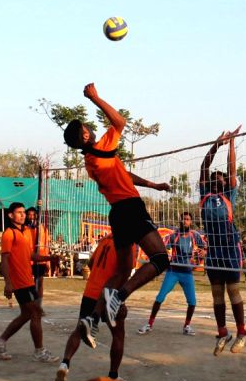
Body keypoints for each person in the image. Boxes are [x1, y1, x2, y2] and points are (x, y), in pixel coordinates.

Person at [62, 83, 172, 346]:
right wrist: (95, 98)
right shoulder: (101, 148)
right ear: (85, 135)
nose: (90, 128)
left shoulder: (93, 160)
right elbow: (120, 121)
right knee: (160, 259)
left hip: (117, 213)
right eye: (86, 128)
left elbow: (124, 175)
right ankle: (119, 297)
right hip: (131, 208)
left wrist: (154, 186)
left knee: (122, 270)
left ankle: (93, 318)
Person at [56, 234, 135, 381]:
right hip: (110, 294)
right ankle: (113, 376)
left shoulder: (105, 240)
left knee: (79, 329)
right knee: (118, 335)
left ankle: (64, 364)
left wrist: (99, 277)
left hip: (90, 291)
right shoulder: (128, 242)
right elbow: (124, 273)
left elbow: (91, 263)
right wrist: (121, 299)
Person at [0, 202, 60, 363]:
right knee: (35, 313)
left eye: (23, 212)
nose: (23, 215)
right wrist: (8, 283)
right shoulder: (9, 233)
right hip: (19, 282)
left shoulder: (25, 232)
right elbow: (5, 260)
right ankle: (39, 351)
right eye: (19, 212)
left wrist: (49, 257)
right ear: (10, 215)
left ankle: (0, 342)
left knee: (27, 314)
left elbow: (31, 257)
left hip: (27, 279)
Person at [199, 127, 246, 355]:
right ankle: (222, 332)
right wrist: (217, 144)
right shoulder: (204, 196)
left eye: (221, 177)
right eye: (214, 178)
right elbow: (203, 166)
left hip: (229, 249)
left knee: (233, 292)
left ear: (225, 182)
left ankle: (242, 332)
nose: (217, 178)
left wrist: (233, 144)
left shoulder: (228, 195)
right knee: (217, 295)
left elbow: (232, 168)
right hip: (214, 251)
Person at [138, 212, 205, 336]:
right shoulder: (174, 236)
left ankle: (187, 326)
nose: (185, 221)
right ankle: (149, 324)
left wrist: (203, 254)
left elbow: (204, 247)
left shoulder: (195, 235)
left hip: (187, 273)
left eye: (188, 219)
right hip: (173, 271)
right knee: (160, 298)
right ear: (180, 221)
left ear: (191, 222)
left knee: (192, 302)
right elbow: (162, 246)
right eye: (183, 219)